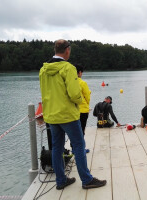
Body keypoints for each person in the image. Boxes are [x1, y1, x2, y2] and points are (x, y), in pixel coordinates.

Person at [39, 39, 106, 190]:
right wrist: (78, 102)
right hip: (68, 115)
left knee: (57, 147)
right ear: (67, 50)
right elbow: (75, 94)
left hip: (51, 115)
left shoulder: (43, 70)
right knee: (79, 145)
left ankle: (61, 180)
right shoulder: (68, 68)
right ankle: (87, 180)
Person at [75, 64, 91, 153]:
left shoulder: (69, 82)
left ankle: (74, 148)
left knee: (74, 131)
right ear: (80, 72)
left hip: (73, 110)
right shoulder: (82, 83)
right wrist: (87, 104)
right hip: (83, 110)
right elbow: (87, 97)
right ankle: (81, 149)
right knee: (82, 130)